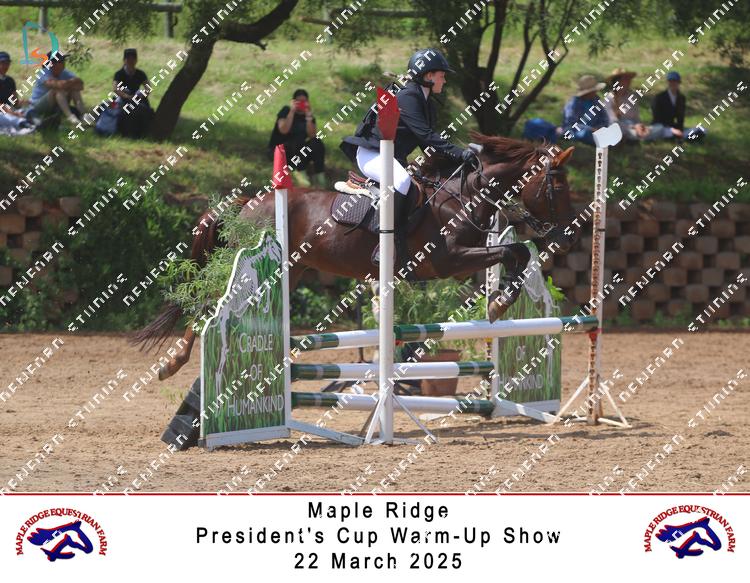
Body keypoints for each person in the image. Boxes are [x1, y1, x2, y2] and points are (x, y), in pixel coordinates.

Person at [340, 48, 477, 267]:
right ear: (428, 75)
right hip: (372, 154)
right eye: (442, 75)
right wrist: (460, 153)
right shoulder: (408, 97)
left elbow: (427, 145)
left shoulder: (427, 103)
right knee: (403, 182)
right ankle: (386, 242)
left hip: (391, 157)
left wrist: (459, 161)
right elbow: (426, 135)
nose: (445, 80)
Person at [268, 89, 326, 187]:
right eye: (299, 102)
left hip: (299, 151)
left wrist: (308, 117)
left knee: (316, 142)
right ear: (293, 101)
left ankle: (319, 174)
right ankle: (300, 171)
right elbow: (283, 130)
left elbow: (312, 135)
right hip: (283, 151)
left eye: (304, 101)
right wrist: (292, 111)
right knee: (297, 142)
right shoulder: (286, 111)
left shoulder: (308, 116)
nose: (301, 104)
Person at [605, 68, 676, 141]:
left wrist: (641, 127)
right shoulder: (609, 98)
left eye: (629, 79)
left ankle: (649, 134)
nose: (629, 81)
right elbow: (613, 121)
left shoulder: (631, 97)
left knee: (658, 128)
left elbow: (636, 117)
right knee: (632, 133)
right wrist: (633, 127)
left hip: (634, 126)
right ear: (618, 82)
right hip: (621, 128)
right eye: (625, 79)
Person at [28, 51, 86, 125]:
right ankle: (70, 117)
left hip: (54, 105)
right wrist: (71, 82)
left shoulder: (64, 72)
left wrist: (69, 84)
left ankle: (83, 114)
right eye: (61, 61)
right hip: (37, 106)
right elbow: (55, 85)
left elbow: (80, 86)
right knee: (57, 91)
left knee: (74, 90)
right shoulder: (44, 73)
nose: (64, 63)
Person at [651, 71, 705, 141]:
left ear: (679, 82)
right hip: (660, 127)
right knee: (665, 131)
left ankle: (683, 137)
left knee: (701, 130)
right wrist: (671, 129)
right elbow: (656, 118)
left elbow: (680, 117)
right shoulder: (659, 97)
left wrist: (679, 129)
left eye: (675, 81)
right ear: (668, 82)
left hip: (673, 126)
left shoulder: (681, 98)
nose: (673, 83)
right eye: (671, 81)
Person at [113, 48, 153, 138]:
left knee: (145, 109)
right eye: (128, 59)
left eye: (133, 59)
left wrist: (142, 95)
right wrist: (126, 96)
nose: (131, 62)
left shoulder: (140, 73)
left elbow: (148, 88)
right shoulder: (119, 74)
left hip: (137, 98)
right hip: (123, 98)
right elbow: (116, 89)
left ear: (136, 60)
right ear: (124, 60)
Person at [561, 74, 609, 145]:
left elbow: (604, 118)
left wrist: (600, 128)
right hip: (577, 131)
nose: (595, 92)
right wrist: (590, 129)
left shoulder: (596, 101)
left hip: (596, 130)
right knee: (584, 134)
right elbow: (571, 123)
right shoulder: (574, 104)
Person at [0, 51, 34, 134]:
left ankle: (35, 121)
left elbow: (15, 103)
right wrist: (12, 113)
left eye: (7, 63)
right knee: (8, 117)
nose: (5, 66)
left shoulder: (10, 80)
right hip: (3, 113)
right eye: (2, 63)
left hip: (9, 110)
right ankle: (26, 125)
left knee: (28, 110)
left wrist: (25, 102)